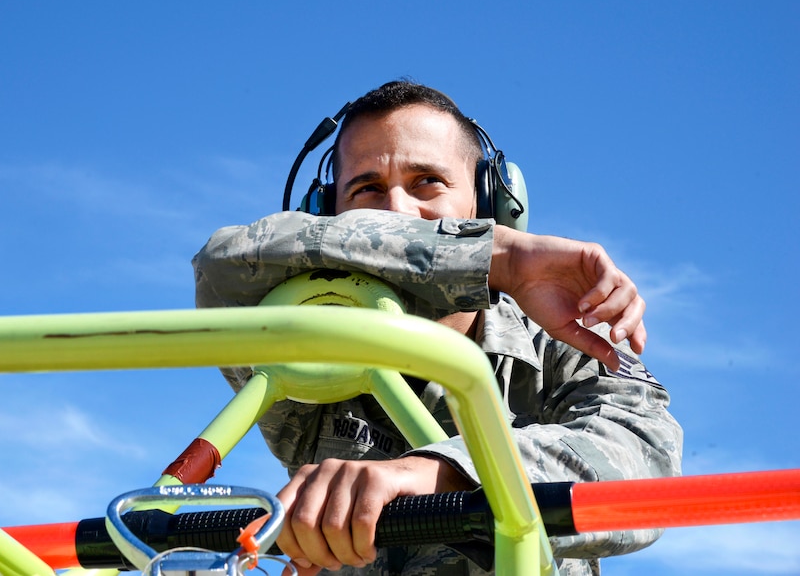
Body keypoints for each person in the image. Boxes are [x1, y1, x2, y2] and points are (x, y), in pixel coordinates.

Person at [191, 80, 683, 576]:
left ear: (486, 207)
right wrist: (496, 257)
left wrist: (441, 470)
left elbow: (645, 460)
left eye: (427, 181)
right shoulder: (303, 345)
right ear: (325, 218)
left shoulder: (560, 340)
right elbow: (220, 268)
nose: (398, 211)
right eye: (367, 190)